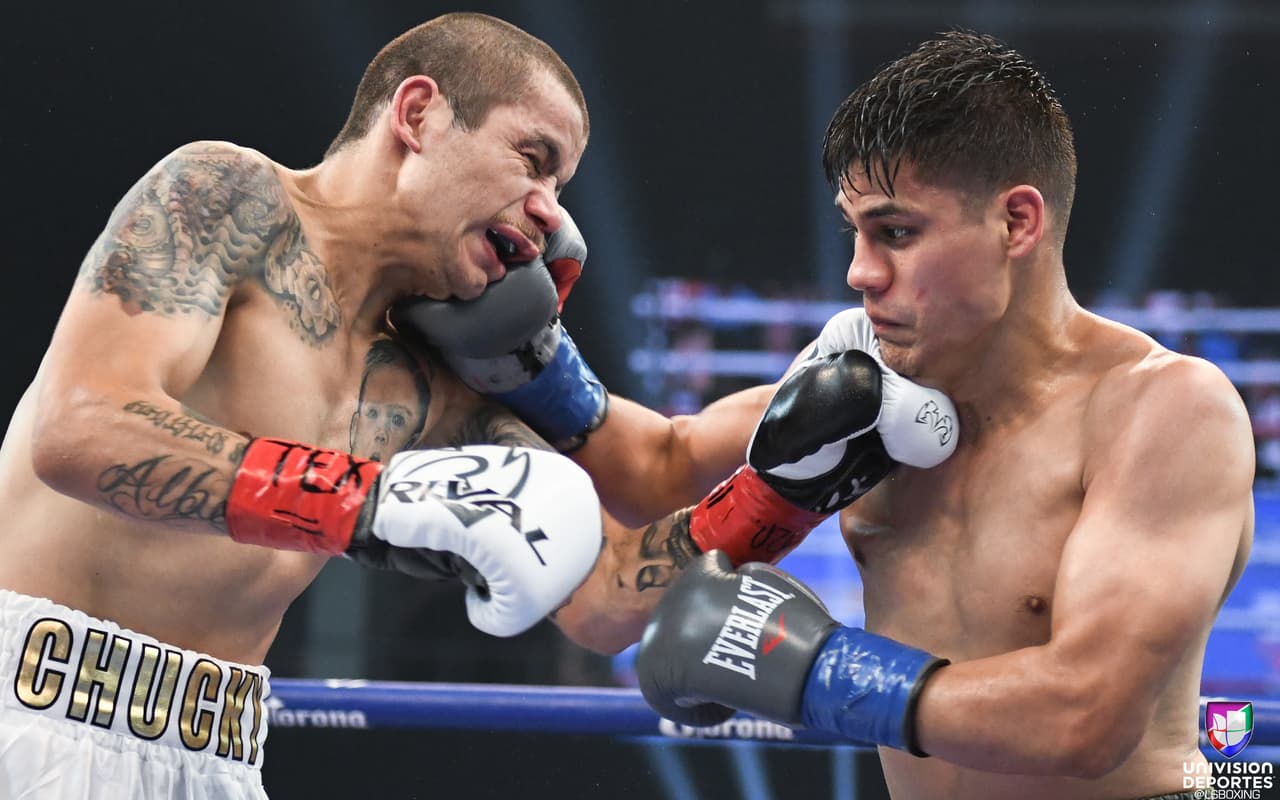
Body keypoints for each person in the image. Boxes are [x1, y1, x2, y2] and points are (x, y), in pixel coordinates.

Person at [421, 29, 1255, 800]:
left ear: (1017, 221)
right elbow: (662, 466)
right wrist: (532, 365)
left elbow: (1088, 716)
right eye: (855, 232)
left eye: (895, 232)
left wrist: (807, 668)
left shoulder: (1162, 410)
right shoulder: (871, 382)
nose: (859, 272)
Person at [0, 12, 616, 798]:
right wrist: (366, 504)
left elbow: (609, 586)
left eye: (559, 187)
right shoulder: (228, 196)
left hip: (216, 755)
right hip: (30, 714)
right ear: (417, 112)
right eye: (533, 162)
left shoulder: (429, 375)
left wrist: (788, 486)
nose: (551, 212)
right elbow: (77, 430)